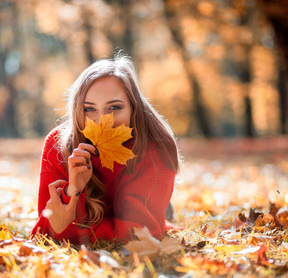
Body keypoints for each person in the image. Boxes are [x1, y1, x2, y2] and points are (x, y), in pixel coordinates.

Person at [30, 54, 181, 244]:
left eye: (115, 107)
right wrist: (72, 192)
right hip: (110, 213)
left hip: (146, 194)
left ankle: (164, 209)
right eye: (89, 109)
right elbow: (44, 230)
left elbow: (147, 232)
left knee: (155, 214)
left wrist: (68, 229)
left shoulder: (156, 148)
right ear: (78, 110)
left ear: (134, 109)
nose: (102, 121)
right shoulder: (57, 144)